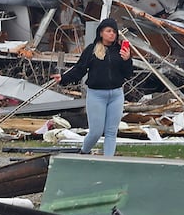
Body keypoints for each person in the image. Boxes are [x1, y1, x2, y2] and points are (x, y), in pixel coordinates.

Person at [51, 18, 133, 156]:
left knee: (111, 132)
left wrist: (127, 60)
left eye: (114, 32)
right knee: (96, 131)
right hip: (97, 95)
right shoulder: (92, 49)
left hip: (116, 94)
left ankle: (108, 162)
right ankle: (84, 152)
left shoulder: (120, 51)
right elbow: (80, 69)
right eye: (108, 31)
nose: (112, 34)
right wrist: (63, 78)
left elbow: (128, 74)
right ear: (101, 33)